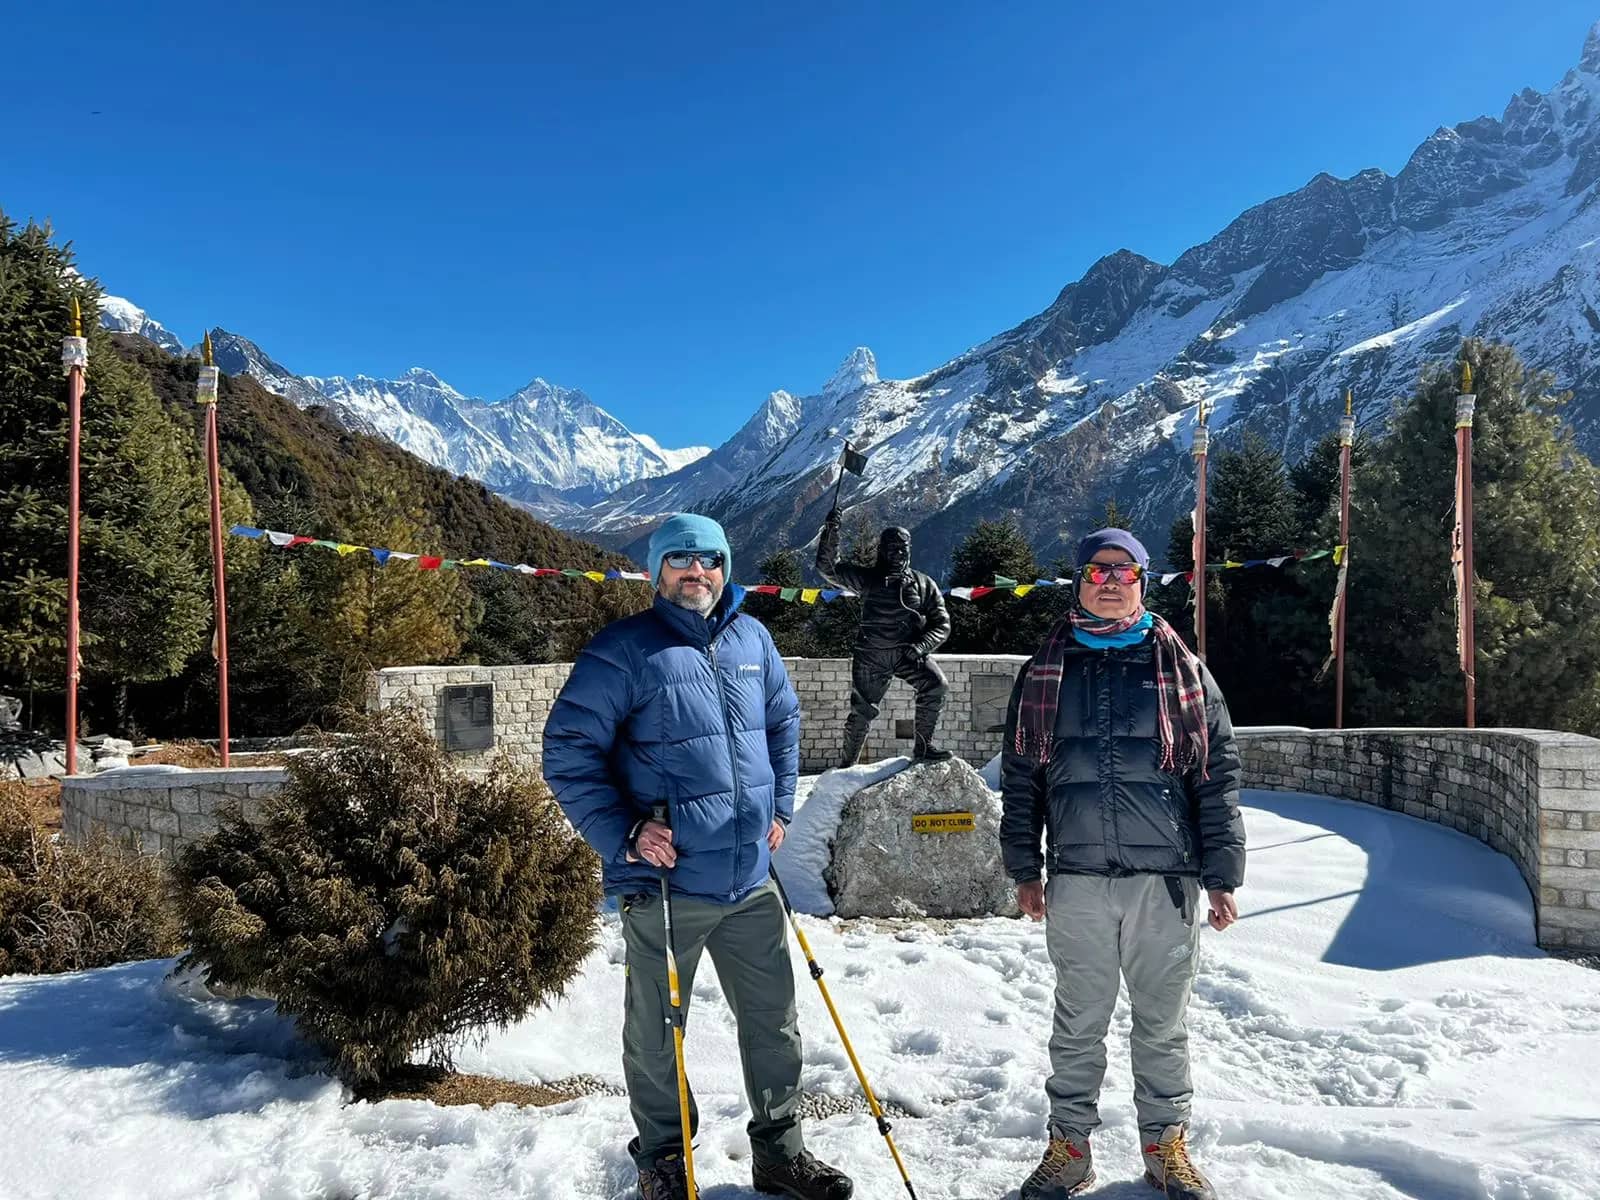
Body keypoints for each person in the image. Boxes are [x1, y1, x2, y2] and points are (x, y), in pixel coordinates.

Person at [543, 513, 853, 1200]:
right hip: (667, 883)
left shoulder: (754, 638)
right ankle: (663, 1158)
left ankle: (780, 1153)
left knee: (775, 1025)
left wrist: (777, 810)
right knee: (656, 1034)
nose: (697, 571)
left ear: (725, 567)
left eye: (710, 558)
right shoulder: (623, 650)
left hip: (750, 879)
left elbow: (783, 722)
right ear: (657, 572)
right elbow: (567, 751)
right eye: (680, 558)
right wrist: (623, 832)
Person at [999, 528, 1245, 1200]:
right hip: (1076, 878)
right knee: (1077, 1023)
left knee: (1162, 1026)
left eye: (1125, 571)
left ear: (1144, 580)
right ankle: (1069, 1148)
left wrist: (1221, 873)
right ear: (1078, 581)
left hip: (1165, 881)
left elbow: (1216, 775)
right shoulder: (1046, 668)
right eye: (1098, 570)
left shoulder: (1182, 669)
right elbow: (1022, 777)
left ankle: (1166, 1147)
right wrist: (1025, 865)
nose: (1111, 581)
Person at [814, 509, 952, 767]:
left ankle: (923, 749)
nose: (897, 553)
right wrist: (831, 532)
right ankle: (846, 767)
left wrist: (922, 646)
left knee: (936, 685)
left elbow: (941, 624)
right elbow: (828, 568)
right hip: (871, 656)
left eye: (902, 548)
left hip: (908, 653)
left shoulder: (924, 583)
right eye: (891, 548)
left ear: (910, 550)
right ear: (881, 550)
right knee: (862, 710)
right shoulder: (867, 579)